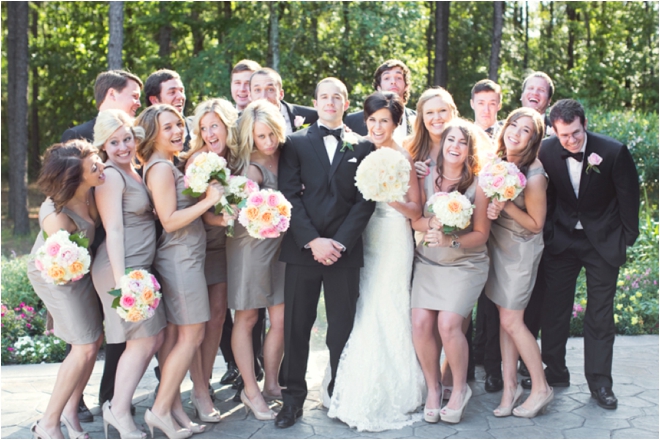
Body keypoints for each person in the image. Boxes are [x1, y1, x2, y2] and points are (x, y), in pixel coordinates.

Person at [275, 77, 376, 428]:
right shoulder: (295, 143)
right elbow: (289, 194)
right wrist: (313, 241)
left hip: (344, 253)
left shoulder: (363, 146)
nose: (330, 102)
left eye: (337, 97)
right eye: (324, 97)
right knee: (297, 327)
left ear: (346, 104)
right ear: (315, 102)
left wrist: (340, 242)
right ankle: (292, 400)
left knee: (341, 328)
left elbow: (366, 201)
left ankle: (338, 392)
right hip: (304, 250)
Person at [326, 92, 425, 431]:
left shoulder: (403, 157)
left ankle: (393, 389)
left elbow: (416, 209)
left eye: (384, 120)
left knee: (386, 303)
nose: (378, 126)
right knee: (362, 302)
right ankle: (344, 382)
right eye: (372, 120)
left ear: (396, 123)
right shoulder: (357, 148)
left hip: (394, 237)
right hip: (361, 238)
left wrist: (389, 196)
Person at [535, 99, 639, 410]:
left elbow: (629, 196)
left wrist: (626, 238)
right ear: (554, 130)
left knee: (600, 315)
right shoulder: (546, 151)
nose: (571, 140)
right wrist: (550, 231)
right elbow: (547, 194)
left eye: (576, 133)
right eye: (563, 135)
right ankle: (554, 371)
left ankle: (600, 383)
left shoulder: (613, 151)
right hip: (563, 240)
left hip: (603, 242)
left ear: (585, 123)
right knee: (554, 309)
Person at [136, 104, 224, 439]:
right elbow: (170, 221)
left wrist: (218, 216)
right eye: (168, 127)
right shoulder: (159, 169)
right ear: (152, 134)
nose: (178, 132)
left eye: (179, 125)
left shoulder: (170, 164)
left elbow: (187, 214)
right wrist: (208, 200)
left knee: (182, 338)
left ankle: (171, 410)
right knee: (191, 336)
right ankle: (158, 411)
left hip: (189, 257)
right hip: (178, 260)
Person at [60, 69, 143, 421]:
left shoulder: (134, 146)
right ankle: (70, 403)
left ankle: (110, 397)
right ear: (112, 94)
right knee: (86, 337)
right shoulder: (74, 137)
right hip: (89, 251)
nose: (138, 101)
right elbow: (62, 194)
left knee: (116, 335)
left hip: (114, 251)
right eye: (133, 94)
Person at [90, 110, 167, 438]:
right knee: (144, 339)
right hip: (122, 270)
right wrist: (124, 283)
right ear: (103, 145)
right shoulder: (110, 176)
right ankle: (118, 410)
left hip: (140, 268)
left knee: (154, 337)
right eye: (114, 142)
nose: (123, 147)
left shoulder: (132, 170)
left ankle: (116, 408)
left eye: (127, 139)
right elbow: (115, 230)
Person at [410, 119, 491, 424]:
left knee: (447, 324)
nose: (455, 147)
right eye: (450, 141)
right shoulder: (425, 175)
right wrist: (432, 225)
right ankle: (433, 388)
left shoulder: (478, 184)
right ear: (442, 144)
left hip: (465, 262)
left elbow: (481, 234)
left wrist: (450, 238)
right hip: (429, 261)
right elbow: (416, 219)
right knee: (419, 322)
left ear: (469, 150)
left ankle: (458, 390)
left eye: (462, 142)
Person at [27, 140, 106, 439]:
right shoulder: (56, 215)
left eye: (97, 160)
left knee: (93, 341)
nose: (100, 167)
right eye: (93, 167)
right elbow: (58, 261)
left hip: (80, 271)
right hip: (56, 273)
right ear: (75, 179)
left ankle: (71, 413)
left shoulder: (95, 186)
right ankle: (48, 424)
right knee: (84, 346)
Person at [484, 108, 554, 418]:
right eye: (514, 124)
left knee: (513, 321)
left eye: (525, 130)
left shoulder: (535, 174)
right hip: (498, 245)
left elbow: (536, 224)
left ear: (533, 139)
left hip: (521, 252)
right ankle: (510, 387)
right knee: (504, 319)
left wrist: (506, 205)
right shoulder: (499, 161)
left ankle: (541, 387)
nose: (516, 132)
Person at [225, 100, 288, 421]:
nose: (267, 142)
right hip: (250, 249)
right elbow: (241, 214)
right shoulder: (250, 168)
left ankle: (273, 383)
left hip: (280, 249)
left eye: (271, 134)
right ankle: (251, 389)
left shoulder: (287, 155)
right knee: (247, 318)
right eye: (260, 137)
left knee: (280, 319)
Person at [179, 98, 239, 422]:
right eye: (203, 128)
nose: (209, 132)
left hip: (228, 248)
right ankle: (200, 389)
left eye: (214, 125)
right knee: (198, 323)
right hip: (199, 246)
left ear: (227, 126)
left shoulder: (237, 158)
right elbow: (197, 215)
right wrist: (225, 219)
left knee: (218, 316)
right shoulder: (197, 161)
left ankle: (204, 380)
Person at [469, 78, 504, 393]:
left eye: (492, 103)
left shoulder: (508, 137)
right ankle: (465, 367)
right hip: (467, 227)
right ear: (472, 105)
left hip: (501, 230)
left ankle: (493, 369)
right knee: (464, 300)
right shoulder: (461, 135)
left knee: (492, 301)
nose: (487, 108)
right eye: (481, 102)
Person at [345, 59, 417, 144]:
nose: (393, 82)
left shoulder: (418, 120)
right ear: (378, 87)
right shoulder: (352, 121)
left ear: (406, 86)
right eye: (387, 78)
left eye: (398, 78)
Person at [249, 67, 318, 135]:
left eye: (270, 90)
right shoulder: (241, 123)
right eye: (257, 90)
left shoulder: (313, 116)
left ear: (281, 94)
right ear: (250, 95)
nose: (263, 97)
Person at [144, 69, 193, 153]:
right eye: (172, 92)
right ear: (154, 100)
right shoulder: (144, 137)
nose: (180, 96)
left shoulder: (197, 125)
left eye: (181, 91)